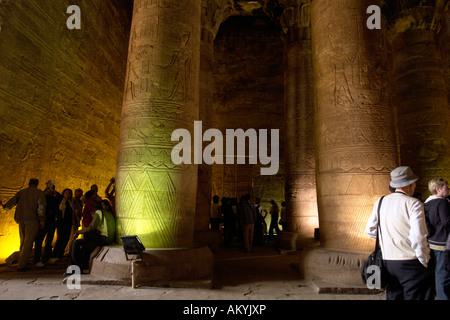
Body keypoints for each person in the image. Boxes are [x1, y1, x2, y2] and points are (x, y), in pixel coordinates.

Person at [365, 166, 433, 300]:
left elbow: (370, 230)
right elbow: (418, 236)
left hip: (388, 262)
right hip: (411, 261)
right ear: (410, 185)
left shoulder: (380, 201)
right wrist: (424, 259)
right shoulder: (413, 203)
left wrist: (389, 240)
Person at [0, 178, 46, 271]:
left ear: (29, 183)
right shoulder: (39, 193)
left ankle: (21, 261)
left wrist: (5, 206)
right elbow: (41, 206)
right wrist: (42, 219)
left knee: (22, 241)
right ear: (37, 184)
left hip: (21, 219)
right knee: (28, 243)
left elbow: (12, 201)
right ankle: (21, 265)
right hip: (32, 219)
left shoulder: (22, 192)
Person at [71, 200, 116, 272]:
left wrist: (78, 232)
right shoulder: (110, 213)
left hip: (103, 238)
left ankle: (75, 269)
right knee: (85, 244)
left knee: (76, 243)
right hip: (109, 239)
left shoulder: (99, 212)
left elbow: (92, 227)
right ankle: (83, 266)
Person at [424, 178, 450, 300]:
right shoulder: (442, 202)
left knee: (436, 272)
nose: (448, 188)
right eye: (446, 186)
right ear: (439, 189)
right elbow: (447, 221)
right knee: (443, 274)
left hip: (432, 242)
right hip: (442, 243)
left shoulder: (427, 203)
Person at [34, 180, 62, 266]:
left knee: (49, 241)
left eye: (51, 190)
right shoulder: (43, 197)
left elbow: (60, 197)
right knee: (39, 240)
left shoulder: (54, 198)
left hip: (52, 221)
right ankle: (37, 259)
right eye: (48, 189)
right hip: (43, 221)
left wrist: (53, 190)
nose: (50, 191)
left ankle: (46, 258)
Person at [52, 188, 80, 261]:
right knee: (60, 239)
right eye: (66, 193)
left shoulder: (71, 202)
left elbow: (73, 213)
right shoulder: (61, 201)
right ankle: (55, 255)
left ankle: (60, 254)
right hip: (61, 223)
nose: (68, 194)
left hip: (69, 223)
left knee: (66, 239)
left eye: (69, 193)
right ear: (63, 194)